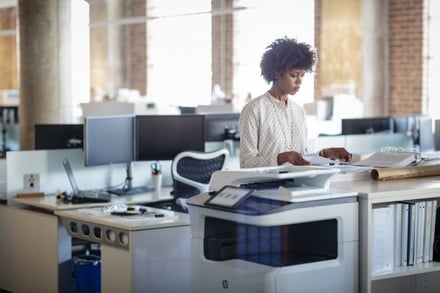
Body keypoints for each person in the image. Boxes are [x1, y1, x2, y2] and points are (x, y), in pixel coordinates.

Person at [239, 37, 352, 168]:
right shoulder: (254, 109)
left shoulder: (299, 111)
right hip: (264, 186)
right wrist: (281, 158)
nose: (299, 81)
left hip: (297, 184)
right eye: (293, 75)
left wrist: (323, 154)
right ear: (277, 73)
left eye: (302, 75)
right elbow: (246, 163)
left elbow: (301, 157)